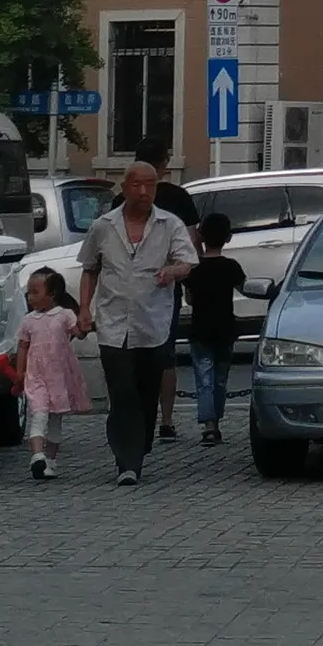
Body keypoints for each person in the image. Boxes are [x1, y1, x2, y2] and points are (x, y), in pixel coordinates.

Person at [74, 160, 195, 486]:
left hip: (152, 324)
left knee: (145, 390)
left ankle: (138, 446)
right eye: (138, 185)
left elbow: (187, 261)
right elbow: (89, 268)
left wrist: (172, 271)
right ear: (125, 187)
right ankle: (127, 461)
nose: (144, 192)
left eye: (150, 185)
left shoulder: (169, 225)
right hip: (113, 325)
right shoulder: (103, 226)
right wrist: (84, 309)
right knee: (121, 390)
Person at [132, 135, 201, 443]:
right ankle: (167, 420)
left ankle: (134, 414)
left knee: (132, 351)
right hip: (166, 283)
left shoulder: (122, 199)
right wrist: (187, 280)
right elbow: (191, 243)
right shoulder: (177, 197)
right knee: (165, 353)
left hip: (128, 287)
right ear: (163, 164)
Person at [13, 267, 87, 481]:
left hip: (59, 375)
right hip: (36, 375)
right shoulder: (28, 321)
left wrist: (85, 325)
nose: (30, 297)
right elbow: (23, 346)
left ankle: (50, 462)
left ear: (52, 294)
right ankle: (37, 456)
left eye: (36, 292)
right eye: (29, 292)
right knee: (39, 413)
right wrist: (20, 371)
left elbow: (78, 333)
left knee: (55, 419)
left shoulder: (65, 315)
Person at [185, 211, 246, 445]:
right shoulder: (231, 266)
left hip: (200, 329)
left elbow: (189, 300)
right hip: (225, 328)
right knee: (221, 378)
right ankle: (217, 421)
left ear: (201, 237)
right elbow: (243, 287)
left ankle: (209, 424)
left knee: (204, 379)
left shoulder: (193, 270)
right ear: (228, 238)